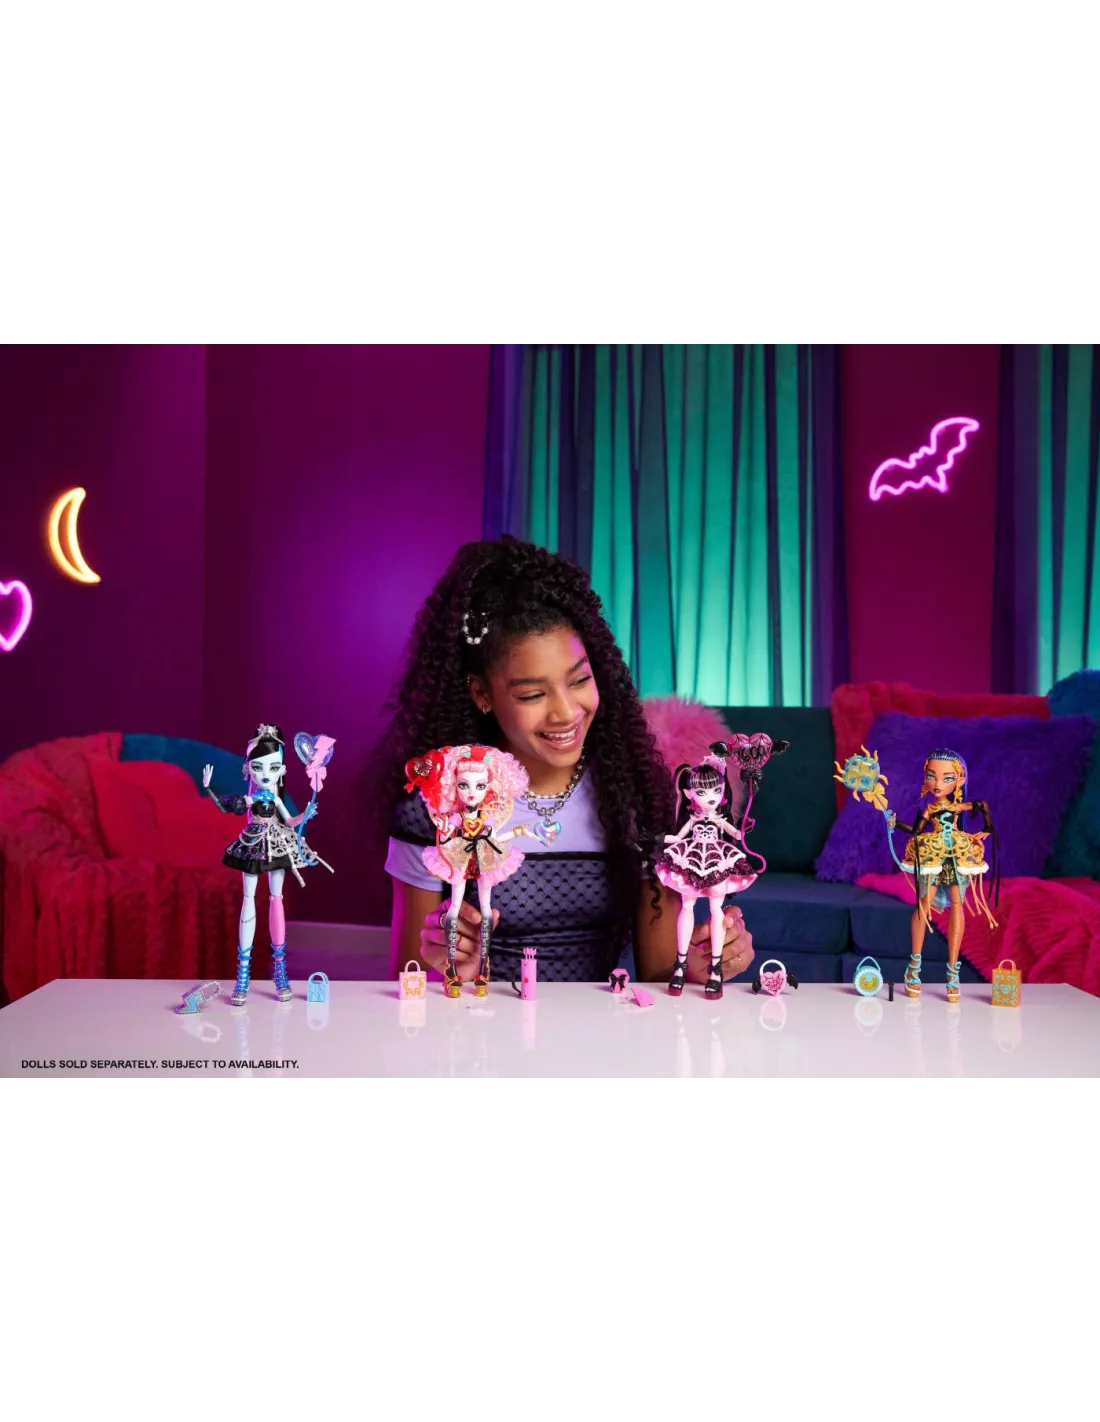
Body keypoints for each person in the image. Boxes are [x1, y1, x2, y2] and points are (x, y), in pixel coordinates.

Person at [371, 536, 757, 985]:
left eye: (579, 681)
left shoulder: (637, 798)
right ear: (481, 694)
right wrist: (451, 970)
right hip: (480, 1024)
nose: (566, 713)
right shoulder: (434, 808)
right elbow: (409, 978)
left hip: (598, 1027)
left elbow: (658, 973)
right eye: (533, 694)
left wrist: (698, 966)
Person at [886, 748, 997, 1003]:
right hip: (933, 854)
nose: (937, 784)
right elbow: (915, 831)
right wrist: (895, 824)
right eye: (931, 776)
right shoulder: (928, 809)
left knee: (957, 904)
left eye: (947, 778)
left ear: (960, 779)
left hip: (956, 853)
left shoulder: (957, 806)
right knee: (923, 904)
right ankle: (914, 968)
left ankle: (952, 973)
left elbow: (982, 805)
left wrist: (987, 828)